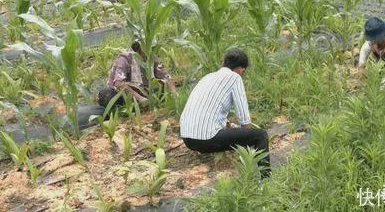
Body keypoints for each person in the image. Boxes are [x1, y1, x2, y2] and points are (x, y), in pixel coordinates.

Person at [179, 49, 271, 178]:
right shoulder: (234, 78)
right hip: (206, 138)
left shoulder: (208, 77)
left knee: (235, 131)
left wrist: (230, 127)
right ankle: (266, 181)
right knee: (260, 135)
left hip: (187, 137)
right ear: (241, 69)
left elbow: (208, 109)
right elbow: (244, 118)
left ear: (223, 63)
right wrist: (247, 136)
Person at [97, 40, 176, 108]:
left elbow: (166, 76)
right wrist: (140, 99)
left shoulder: (152, 58)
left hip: (141, 88)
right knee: (107, 95)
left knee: (161, 87)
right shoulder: (125, 59)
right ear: (138, 50)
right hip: (122, 93)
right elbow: (119, 83)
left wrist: (174, 93)